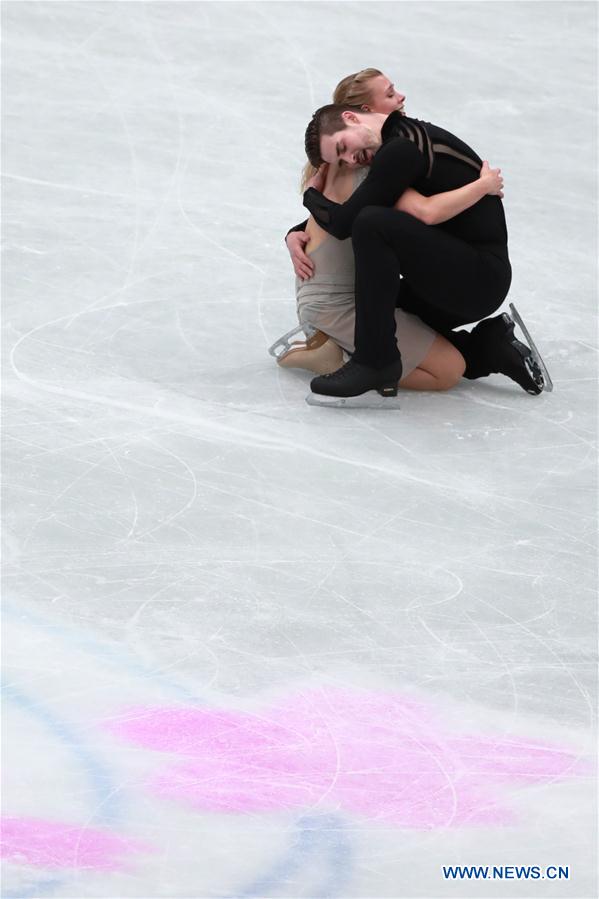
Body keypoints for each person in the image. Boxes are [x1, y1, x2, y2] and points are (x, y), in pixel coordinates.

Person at [298, 87, 546, 400]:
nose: (350, 159)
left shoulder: (399, 150)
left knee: (372, 224)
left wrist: (311, 195)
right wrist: (296, 231)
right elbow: (359, 204)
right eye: (342, 159)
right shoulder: (390, 149)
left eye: (344, 147)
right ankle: (488, 348)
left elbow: (356, 219)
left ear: (352, 116)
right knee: (379, 308)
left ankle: (374, 361)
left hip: (477, 278)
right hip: (450, 273)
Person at [275, 146, 505, 391]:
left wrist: (294, 230)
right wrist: (483, 186)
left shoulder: (338, 169)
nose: (401, 109)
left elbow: (346, 215)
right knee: (448, 371)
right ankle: (335, 360)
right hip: (332, 305)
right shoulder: (368, 175)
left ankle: (488, 349)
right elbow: (426, 211)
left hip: (331, 295)